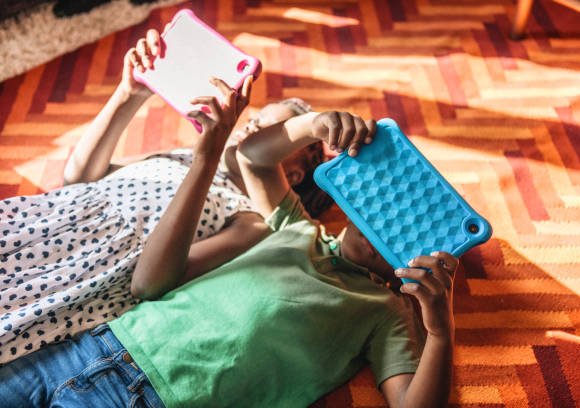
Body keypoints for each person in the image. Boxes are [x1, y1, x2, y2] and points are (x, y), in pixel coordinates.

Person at [0, 81, 459, 407]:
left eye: (408, 234)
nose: (383, 227)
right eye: (382, 209)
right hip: (92, 346)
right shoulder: (297, 228)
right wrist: (316, 123)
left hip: (152, 398)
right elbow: (253, 157)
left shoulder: (383, 312)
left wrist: (440, 330)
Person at [0, 28, 330, 363]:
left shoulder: (250, 221)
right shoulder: (182, 156)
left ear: (292, 175)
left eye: (272, 133)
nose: (250, 128)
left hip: (74, 277)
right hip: (40, 220)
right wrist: (129, 95)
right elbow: (80, 180)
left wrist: (208, 158)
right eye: (256, 119)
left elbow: (149, 284)